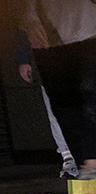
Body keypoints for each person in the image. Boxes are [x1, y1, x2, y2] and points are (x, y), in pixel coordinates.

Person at [15, 0, 96, 180]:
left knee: (89, 97)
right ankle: (81, 162)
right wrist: (24, 54)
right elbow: (20, 8)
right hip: (47, 43)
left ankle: (92, 164)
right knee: (63, 108)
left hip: (89, 35)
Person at [13, 29, 77, 178]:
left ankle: (90, 156)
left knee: (81, 107)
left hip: (75, 51)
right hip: (48, 57)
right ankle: (67, 155)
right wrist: (24, 59)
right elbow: (24, 24)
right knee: (56, 111)